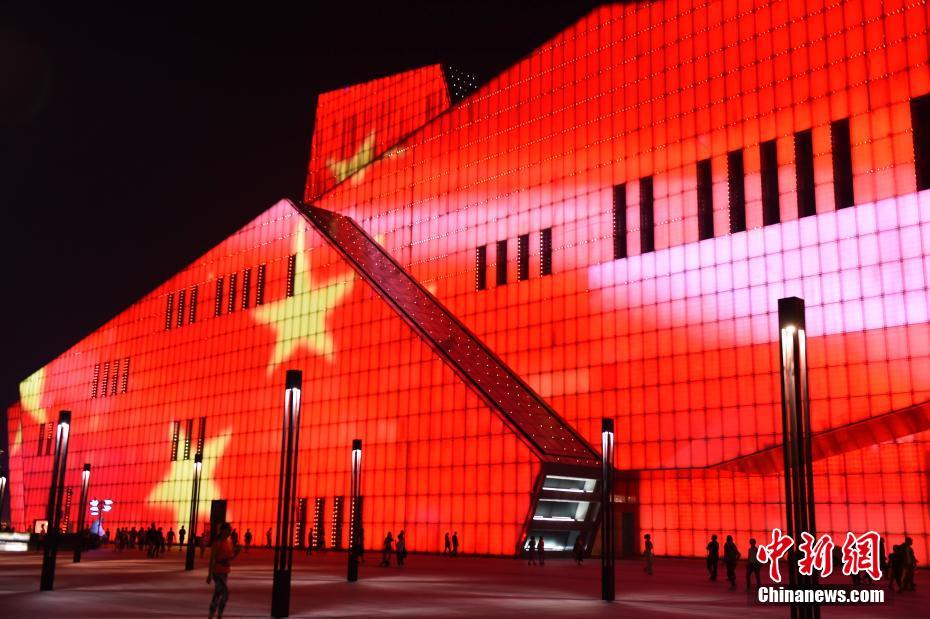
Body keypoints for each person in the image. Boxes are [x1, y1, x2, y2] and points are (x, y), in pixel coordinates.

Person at [207, 522, 241, 619]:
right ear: (222, 530)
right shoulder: (217, 543)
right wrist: (209, 574)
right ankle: (217, 614)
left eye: (230, 530)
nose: (230, 531)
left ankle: (214, 614)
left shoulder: (229, 542)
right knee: (225, 593)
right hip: (217, 572)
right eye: (228, 529)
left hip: (225, 571)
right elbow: (212, 559)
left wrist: (237, 553)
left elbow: (230, 558)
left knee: (218, 593)